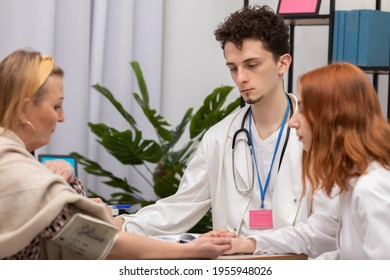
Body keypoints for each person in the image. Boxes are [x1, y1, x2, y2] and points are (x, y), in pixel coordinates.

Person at [121, 5, 334, 242]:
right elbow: (179, 208)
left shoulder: (317, 135)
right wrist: (121, 224)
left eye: (252, 65)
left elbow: (328, 229)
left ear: (282, 63)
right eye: (233, 68)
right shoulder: (219, 137)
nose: (241, 78)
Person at [0, 49, 231, 260]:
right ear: (23, 110)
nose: (62, 118)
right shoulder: (15, 169)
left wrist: (69, 176)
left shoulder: (17, 163)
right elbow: (99, 241)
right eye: (56, 106)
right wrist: (190, 250)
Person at [224, 62, 390, 259]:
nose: (292, 122)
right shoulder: (352, 185)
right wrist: (246, 243)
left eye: (301, 110)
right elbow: (312, 234)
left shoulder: (370, 188)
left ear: (333, 116)